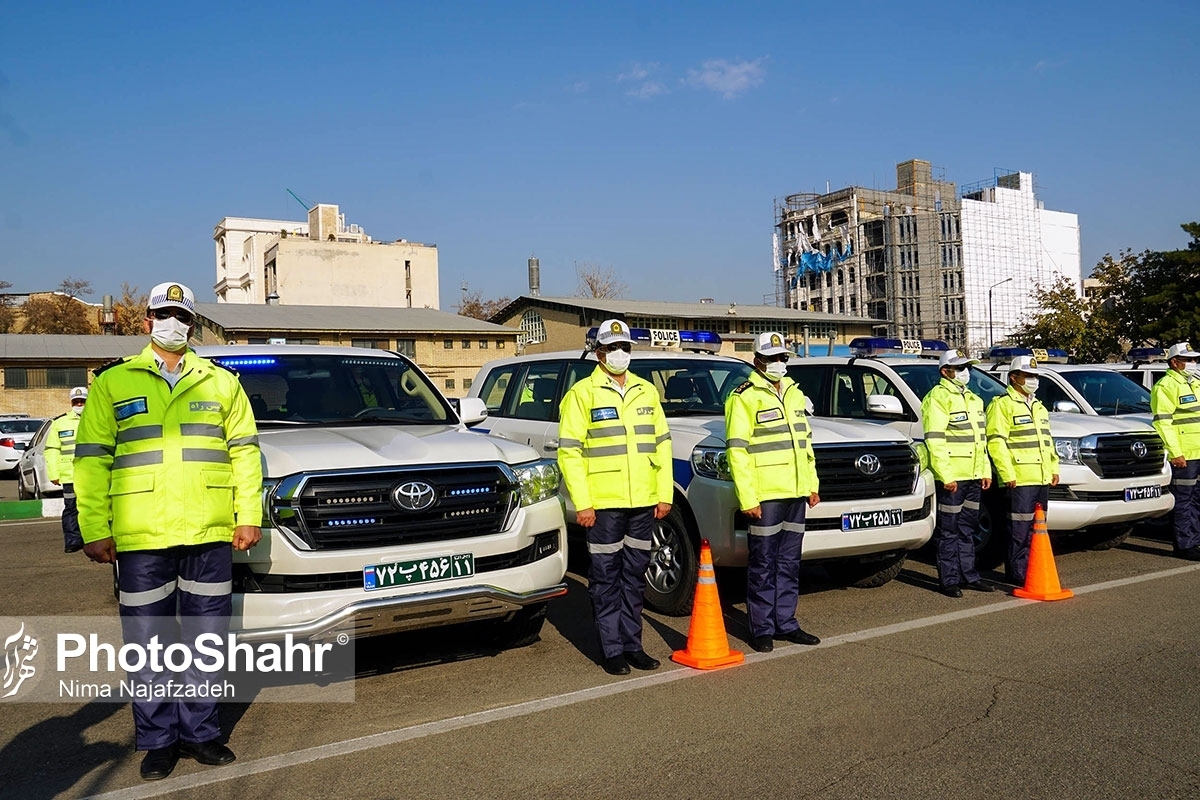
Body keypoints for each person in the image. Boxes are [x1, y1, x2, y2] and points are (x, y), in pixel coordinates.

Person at [74, 282, 263, 781]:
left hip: (207, 530)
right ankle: (158, 740)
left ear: (193, 324)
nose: (172, 322)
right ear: (146, 321)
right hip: (141, 535)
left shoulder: (221, 383)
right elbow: (92, 460)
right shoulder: (114, 383)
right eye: (163, 313)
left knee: (207, 639)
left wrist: (249, 515)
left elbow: (245, 452)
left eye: (181, 314)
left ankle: (201, 734)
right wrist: (94, 527)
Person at [557, 319, 672, 676]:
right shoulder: (581, 394)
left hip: (642, 501)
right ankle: (611, 650)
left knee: (635, 575)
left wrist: (663, 493)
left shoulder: (645, 390)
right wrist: (583, 502)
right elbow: (570, 453)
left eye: (625, 348)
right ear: (598, 352)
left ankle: (633, 645)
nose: (620, 354)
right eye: (612, 349)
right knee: (606, 577)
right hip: (603, 505)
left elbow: (663, 444)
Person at [725, 332, 821, 652]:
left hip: (795, 493)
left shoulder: (794, 393)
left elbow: (804, 444)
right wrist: (748, 498)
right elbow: (737, 451)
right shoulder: (743, 397)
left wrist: (812, 484)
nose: (779, 363)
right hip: (765, 495)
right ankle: (762, 627)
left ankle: (787, 622)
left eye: (783, 358)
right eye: (772, 358)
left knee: (789, 561)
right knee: (764, 562)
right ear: (757, 361)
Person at [921, 350, 996, 597]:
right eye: (960, 368)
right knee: (949, 529)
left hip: (973, 476)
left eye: (968, 367)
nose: (966, 372)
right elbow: (935, 439)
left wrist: (985, 470)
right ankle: (949, 580)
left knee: (968, 527)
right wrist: (945, 475)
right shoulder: (938, 398)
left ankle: (970, 575)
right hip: (953, 478)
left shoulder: (974, 400)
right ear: (945, 372)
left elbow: (980, 441)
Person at [985, 355, 1059, 585]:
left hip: (1041, 477)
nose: (1032, 380)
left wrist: (1053, 468)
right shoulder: (1002, 405)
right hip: (1019, 479)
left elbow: (1047, 441)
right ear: (1013, 377)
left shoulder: (1038, 406)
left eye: (1035, 376)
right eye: (1028, 376)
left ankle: (1033, 569)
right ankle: (1017, 573)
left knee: (1037, 530)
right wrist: (1007, 474)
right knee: (1019, 529)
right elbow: (996, 442)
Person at [1150, 342, 1200, 561]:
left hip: (1198, 452)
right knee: (1184, 500)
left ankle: (1195, 541)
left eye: (1195, 360)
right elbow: (1163, 423)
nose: (1193, 364)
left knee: (1197, 498)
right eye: (1188, 360)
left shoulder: (1196, 383)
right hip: (1185, 454)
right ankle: (1185, 545)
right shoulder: (1166, 386)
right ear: (1174, 362)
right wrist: (1175, 452)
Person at [46, 385, 88, 553]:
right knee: (71, 508)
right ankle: (73, 541)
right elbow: (51, 449)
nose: (79, 404)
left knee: (93, 508)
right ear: (71, 402)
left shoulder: (97, 419)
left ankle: (92, 540)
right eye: (76, 401)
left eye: (82, 401)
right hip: (69, 476)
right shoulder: (60, 423)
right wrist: (54, 473)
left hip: (92, 475)